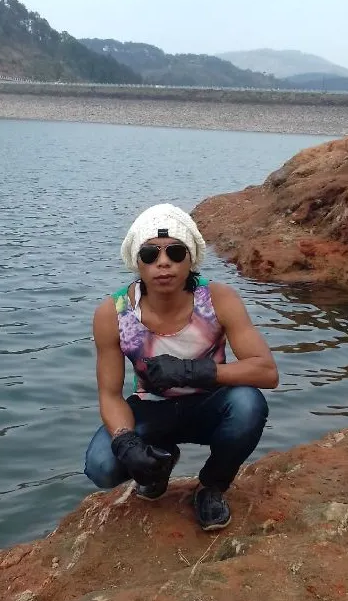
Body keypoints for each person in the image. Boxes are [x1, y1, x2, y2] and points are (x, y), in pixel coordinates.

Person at [85, 203, 278, 531]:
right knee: (103, 465)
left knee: (248, 403)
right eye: (150, 255)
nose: (163, 263)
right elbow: (110, 394)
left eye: (176, 252)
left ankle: (211, 487)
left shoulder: (218, 299)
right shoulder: (113, 313)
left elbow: (266, 372)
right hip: (152, 410)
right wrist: (125, 441)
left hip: (210, 405)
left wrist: (195, 371)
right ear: (137, 261)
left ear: (191, 259)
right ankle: (157, 464)